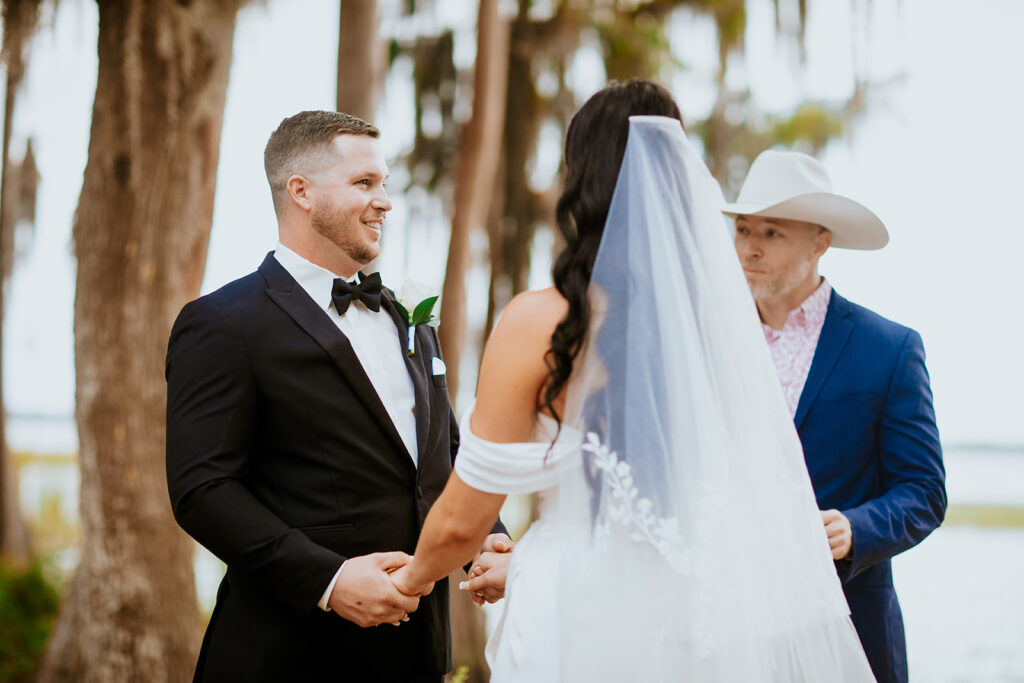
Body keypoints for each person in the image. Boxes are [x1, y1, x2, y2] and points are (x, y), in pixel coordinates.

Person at [389, 80, 876, 681]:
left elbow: (464, 519)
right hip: (692, 621)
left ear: (581, 183)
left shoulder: (542, 322)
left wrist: (410, 580)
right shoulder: (717, 326)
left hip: (574, 619)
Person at [165, 110, 508, 682]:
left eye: (385, 184)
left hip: (418, 654)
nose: (385, 202)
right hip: (290, 654)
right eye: (364, 184)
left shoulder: (409, 318)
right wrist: (329, 581)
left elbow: (441, 459)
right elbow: (202, 490)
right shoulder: (224, 323)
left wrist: (488, 543)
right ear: (300, 191)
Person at [725, 149, 946, 683]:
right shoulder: (713, 344)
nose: (750, 249)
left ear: (820, 242)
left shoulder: (890, 348)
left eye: (772, 233)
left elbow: (924, 491)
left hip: (851, 630)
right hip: (730, 630)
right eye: (744, 230)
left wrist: (855, 528)